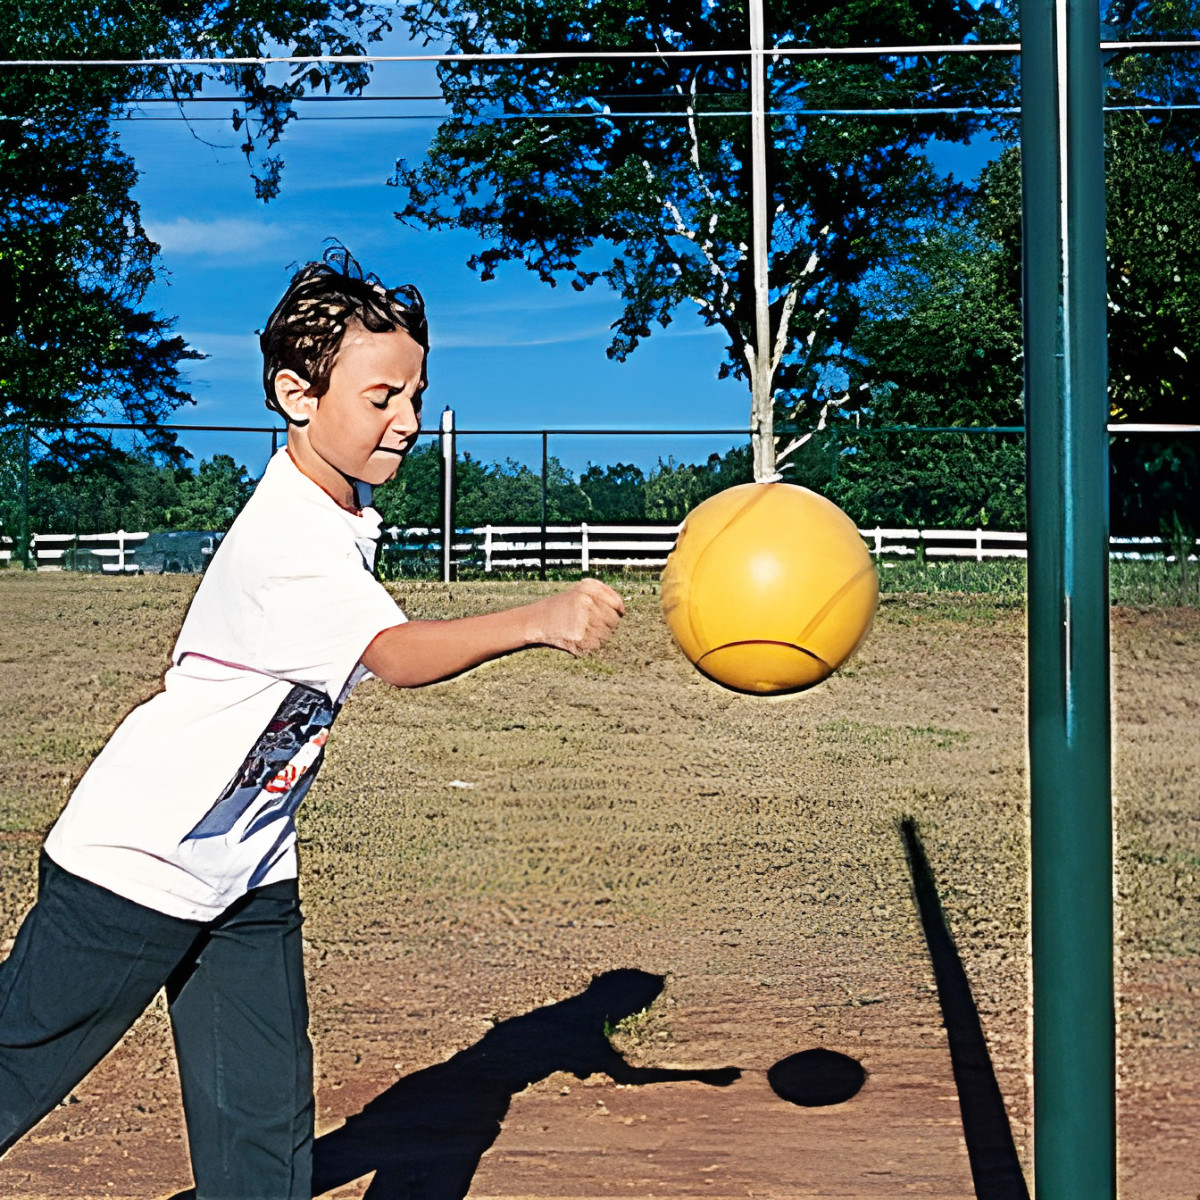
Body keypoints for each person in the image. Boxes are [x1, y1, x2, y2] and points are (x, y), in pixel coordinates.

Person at [0, 245, 624, 1198]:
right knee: (14, 1073)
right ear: (297, 394)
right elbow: (398, 656)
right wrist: (538, 620)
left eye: (416, 394)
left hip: (243, 864)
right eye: (381, 399)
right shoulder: (290, 532)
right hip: (134, 862)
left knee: (263, 1131)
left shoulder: (339, 513)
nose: (408, 421)